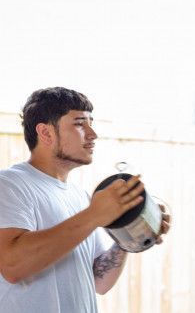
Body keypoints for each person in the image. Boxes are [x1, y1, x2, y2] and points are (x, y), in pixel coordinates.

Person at [0, 87, 170, 313]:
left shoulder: (79, 197)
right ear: (46, 133)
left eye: (91, 123)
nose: (92, 134)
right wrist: (94, 215)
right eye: (80, 123)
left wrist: (129, 235)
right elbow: (12, 265)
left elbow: (99, 281)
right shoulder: (9, 184)